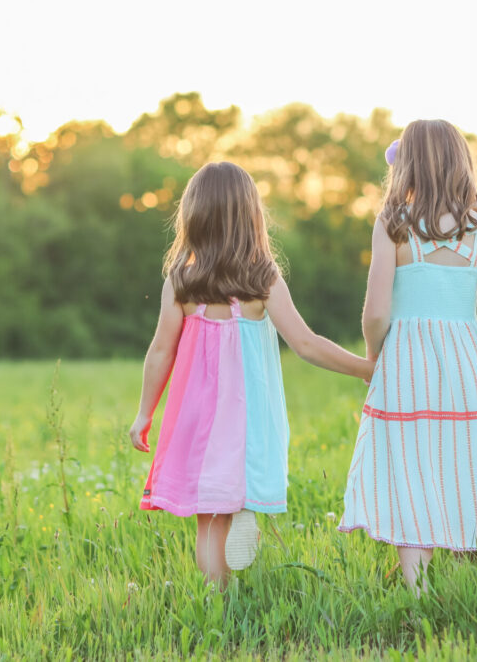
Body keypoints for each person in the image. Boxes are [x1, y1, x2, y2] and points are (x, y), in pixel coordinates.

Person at [128, 161, 373, 586]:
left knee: (208, 519)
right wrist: (366, 369)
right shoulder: (263, 279)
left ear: (193, 217)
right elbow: (306, 343)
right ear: (251, 217)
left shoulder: (182, 281)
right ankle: (240, 510)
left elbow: (160, 352)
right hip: (247, 419)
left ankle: (216, 595)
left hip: (197, 419)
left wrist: (144, 414)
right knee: (235, 487)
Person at [339, 120, 477, 594]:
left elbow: (375, 311)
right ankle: (473, 576)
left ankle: (417, 587)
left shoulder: (393, 226)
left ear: (407, 167)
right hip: (466, 360)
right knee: (466, 459)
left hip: (406, 360)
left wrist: (372, 356)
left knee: (410, 463)